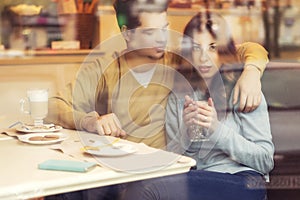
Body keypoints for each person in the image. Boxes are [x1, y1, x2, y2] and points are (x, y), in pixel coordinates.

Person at [46, 0, 269, 151]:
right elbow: (54, 106)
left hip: (166, 169)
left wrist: (251, 71)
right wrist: (91, 121)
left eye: (165, 28)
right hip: (118, 164)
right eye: (151, 33)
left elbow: (245, 48)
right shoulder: (104, 68)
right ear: (127, 34)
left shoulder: (177, 60)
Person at [122, 11, 274, 200]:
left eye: (212, 47)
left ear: (223, 50)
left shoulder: (243, 89)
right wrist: (185, 133)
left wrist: (216, 130)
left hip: (243, 180)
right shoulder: (178, 96)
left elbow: (265, 161)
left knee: (146, 188)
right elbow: (173, 158)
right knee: (141, 184)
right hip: (197, 179)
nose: (203, 57)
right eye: (196, 48)